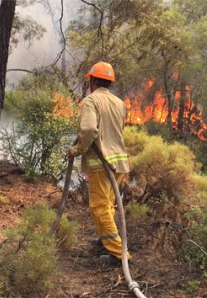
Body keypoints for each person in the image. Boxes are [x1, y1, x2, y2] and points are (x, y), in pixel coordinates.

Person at [67, 61, 131, 267]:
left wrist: (77, 150)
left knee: (99, 208)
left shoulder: (91, 101)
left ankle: (118, 254)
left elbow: (88, 130)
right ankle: (107, 239)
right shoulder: (119, 103)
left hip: (101, 163)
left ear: (93, 81)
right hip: (119, 162)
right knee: (108, 205)